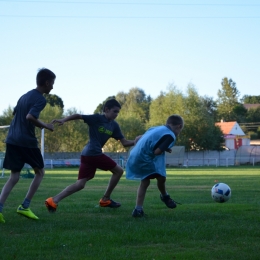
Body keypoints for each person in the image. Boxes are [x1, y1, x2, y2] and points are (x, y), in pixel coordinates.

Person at [45, 98, 140, 212]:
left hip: (88, 155)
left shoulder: (114, 126)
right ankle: (105, 199)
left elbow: (124, 143)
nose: (116, 114)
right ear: (106, 109)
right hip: (92, 153)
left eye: (118, 112)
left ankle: (53, 201)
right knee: (118, 171)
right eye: (115, 111)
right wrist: (64, 119)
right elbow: (78, 116)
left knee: (80, 184)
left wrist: (137, 141)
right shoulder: (97, 118)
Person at [0, 68, 56, 224]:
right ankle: (25, 206)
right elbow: (30, 116)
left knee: (14, 176)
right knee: (40, 172)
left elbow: (16, 113)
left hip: (12, 139)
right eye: (52, 83)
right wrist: (46, 126)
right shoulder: (40, 99)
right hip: (26, 142)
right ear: (46, 82)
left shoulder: (24, 96)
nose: (52, 87)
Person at [126, 114, 184, 217]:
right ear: (179, 126)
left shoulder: (156, 128)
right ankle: (163, 197)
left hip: (133, 155)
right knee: (154, 179)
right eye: (180, 130)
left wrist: (164, 147)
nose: (179, 133)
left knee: (153, 179)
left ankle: (139, 209)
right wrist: (163, 148)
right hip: (144, 159)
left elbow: (139, 138)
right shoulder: (170, 135)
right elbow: (156, 152)